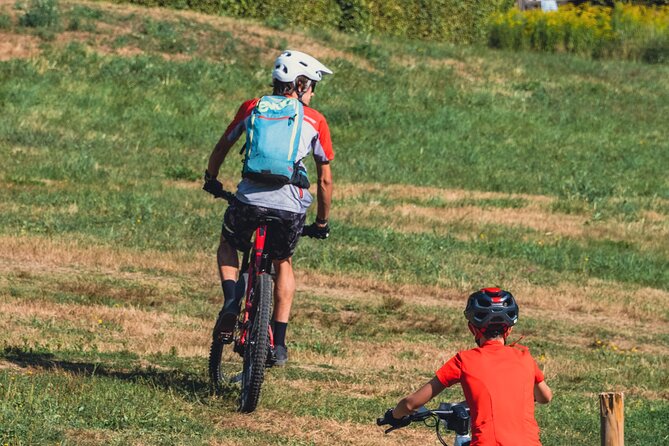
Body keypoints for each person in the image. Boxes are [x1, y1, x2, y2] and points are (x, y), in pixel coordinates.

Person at [203, 50, 334, 366]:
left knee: (228, 245)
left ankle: (233, 300)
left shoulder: (252, 107)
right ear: (300, 84)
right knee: (283, 261)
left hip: (249, 201)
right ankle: (280, 342)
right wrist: (321, 222)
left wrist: (211, 178)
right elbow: (325, 180)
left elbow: (223, 146)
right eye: (312, 85)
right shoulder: (315, 120)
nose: (313, 92)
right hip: (289, 208)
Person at [379, 288, 552, 445]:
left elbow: (411, 404)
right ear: (509, 330)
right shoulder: (524, 358)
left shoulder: (465, 360)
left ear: (472, 329)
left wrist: (394, 416)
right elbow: (545, 397)